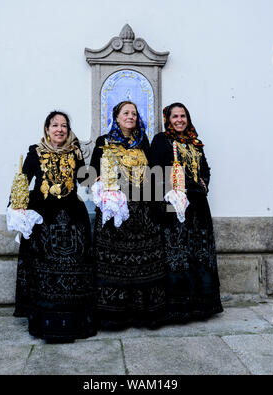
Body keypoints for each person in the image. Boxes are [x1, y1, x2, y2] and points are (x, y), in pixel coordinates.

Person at [10, 111, 97, 342]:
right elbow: (22, 181)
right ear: (46, 128)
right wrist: (15, 205)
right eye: (55, 125)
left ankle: (74, 323)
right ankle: (46, 323)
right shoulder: (35, 152)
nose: (60, 129)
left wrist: (100, 180)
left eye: (64, 126)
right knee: (44, 270)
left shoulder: (75, 151)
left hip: (73, 218)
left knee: (73, 270)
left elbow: (83, 179)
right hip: (43, 219)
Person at [90, 101, 167, 330]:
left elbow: (154, 173)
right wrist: (97, 180)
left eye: (134, 113)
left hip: (143, 213)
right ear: (116, 116)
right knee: (116, 265)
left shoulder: (143, 142)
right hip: (117, 213)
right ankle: (114, 317)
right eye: (126, 113)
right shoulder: (104, 142)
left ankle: (144, 314)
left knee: (143, 264)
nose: (130, 116)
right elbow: (90, 174)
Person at [149, 102, 223, 323]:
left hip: (198, 207)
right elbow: (153, 170)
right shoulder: (161, 140)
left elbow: (205, 169)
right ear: (167, 119)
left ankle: (202, 306)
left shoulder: (195, 143)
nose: (179, 120)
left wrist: (203, 186)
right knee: (177, 253)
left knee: (199, 254)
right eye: (175, 116)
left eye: (183, 116)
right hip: (175, 205)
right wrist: (166, 195)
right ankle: (178, 309)